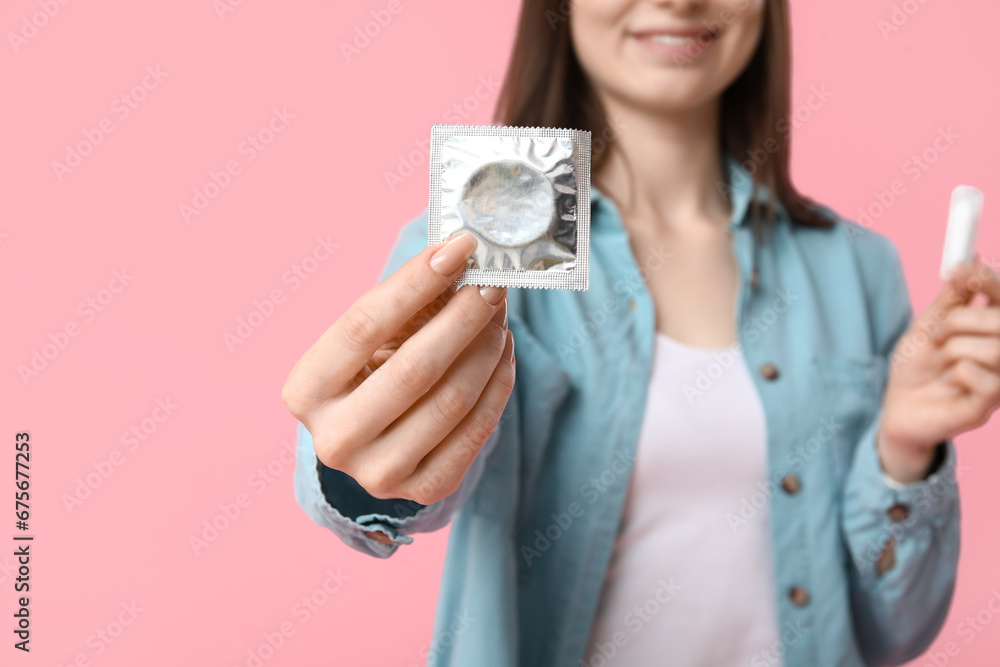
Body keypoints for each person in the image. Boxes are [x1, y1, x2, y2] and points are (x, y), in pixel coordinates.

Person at [282, 1, 1000, 665]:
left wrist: (906, 450)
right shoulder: (483, 240)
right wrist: (360, 469)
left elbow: (892, 632)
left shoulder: (857, 267)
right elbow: (386, 489)